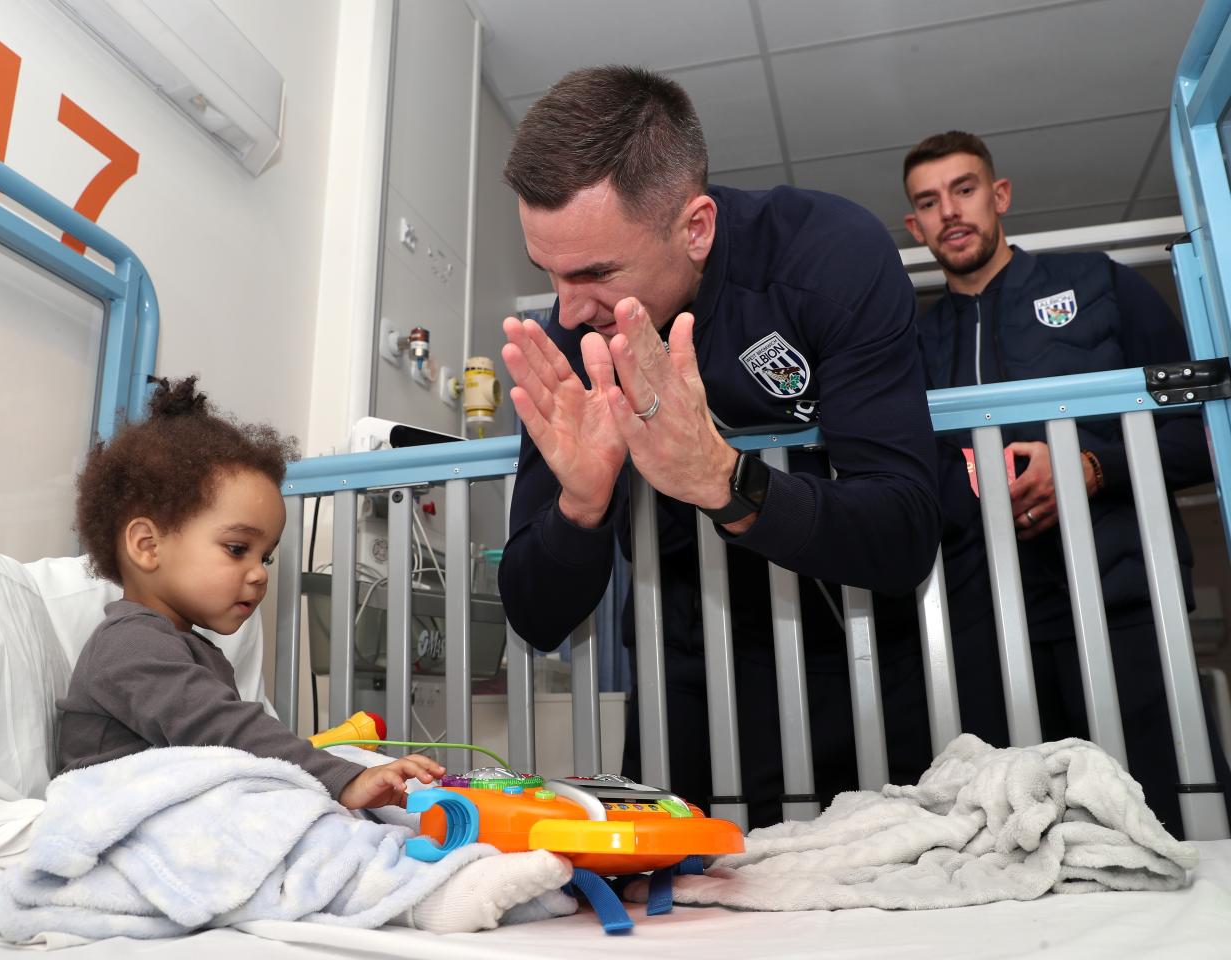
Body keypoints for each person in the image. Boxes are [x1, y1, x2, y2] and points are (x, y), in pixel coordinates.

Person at [497, 66, 946, 829]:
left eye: (595, 272)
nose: (567, 311)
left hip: (861, 672)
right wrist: (579, 507)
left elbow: (903, 531)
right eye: (549, 274)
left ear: (695, 227)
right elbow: (536, 616)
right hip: (682, 694)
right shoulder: (577, 339)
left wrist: (725, 480)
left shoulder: (826, 254)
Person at [903, 129, 1230, 837]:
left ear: (1000, 195)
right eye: (928, 203)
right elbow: (904, 486)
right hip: (987, 630)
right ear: (914, 225)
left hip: (1127, 607)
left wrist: (1090, 467)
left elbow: (1206, 431)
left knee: (1169, 820)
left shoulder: (1097, 284)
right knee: (1015, 839)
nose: (949, 212)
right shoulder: (914, 345)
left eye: (964, 190)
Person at [57, 376, 444, 810]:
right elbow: (226, 731)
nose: (259, 574)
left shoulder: (189, 648)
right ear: (148, 546)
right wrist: (341, 778)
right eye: (237, 549)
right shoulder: (129, 645)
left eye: (266, 557)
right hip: (123, 818)